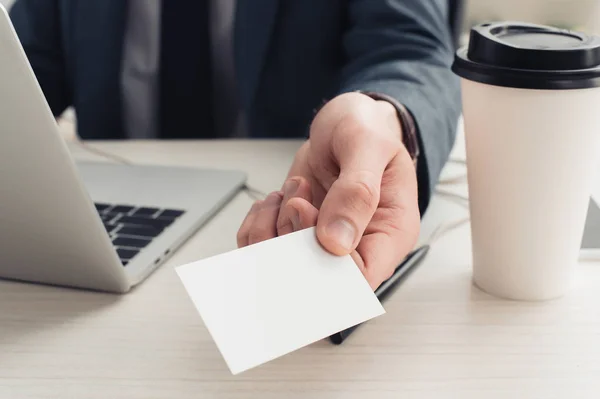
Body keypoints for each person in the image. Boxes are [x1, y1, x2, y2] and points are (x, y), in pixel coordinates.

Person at [9, 0, 461, 289]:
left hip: (287, 209)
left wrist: (384, 115)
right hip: (110, 226)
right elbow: (24, 68)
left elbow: (413, 53)